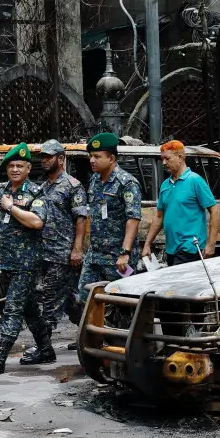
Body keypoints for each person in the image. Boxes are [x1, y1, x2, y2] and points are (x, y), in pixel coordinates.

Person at [0, 143, 50, 373]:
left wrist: (12, 208)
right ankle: (45, 348)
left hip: (26, 262)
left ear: (28, 168)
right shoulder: (2, 190)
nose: (14, 169)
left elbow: (37, 221)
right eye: (11, 165)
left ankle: (0, 355)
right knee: (28, 308)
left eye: (19, 165)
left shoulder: (35, 192)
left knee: (13, 308)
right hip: (6, 261)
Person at [24, 139, 87, 365]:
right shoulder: (42, 187)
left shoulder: (72, 185)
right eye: (43, 156)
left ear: (61, 159)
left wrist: (77, 249)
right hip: (44, 252)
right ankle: (92, 333)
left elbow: (81, 219)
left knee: (50, 299)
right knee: (70, 300)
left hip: (63, 253)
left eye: (49, 157)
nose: (44, 160)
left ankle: (44, 347)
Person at [76, 132, 141, 312]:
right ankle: (93, 339)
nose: (92, 160)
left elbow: (133, 219)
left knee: (122, 303)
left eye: (97, 156)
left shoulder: (127, 183)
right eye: (90, 156)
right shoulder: (95, 180)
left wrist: (125, 252)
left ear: (111, 158)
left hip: (117, 255)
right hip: (96, 253)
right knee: (85, 296)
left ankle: (125, 339)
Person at [142, 139, 217, 267]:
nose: (164, 163)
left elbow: (214, 211)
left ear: (180, 157)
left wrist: (211, 244)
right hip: (171, 249)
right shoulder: (165, 185)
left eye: (167, 159)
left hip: (191, 248)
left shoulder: (195, 181)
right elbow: (159, 216)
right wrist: (147, 244)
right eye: (162, 159)